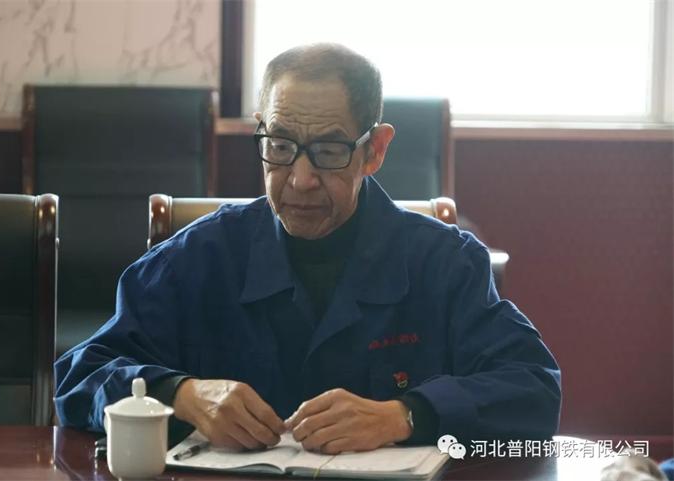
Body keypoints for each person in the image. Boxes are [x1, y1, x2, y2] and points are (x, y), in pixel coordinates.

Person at [54, 43, 561, 454]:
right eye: (279, 146)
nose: (299, 179)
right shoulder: (198, 258)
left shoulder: (443, 263)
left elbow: (534, 388)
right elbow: (80, 376)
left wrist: (404, 415)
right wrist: (182, 394)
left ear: (374, 150)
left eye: (328, 150)